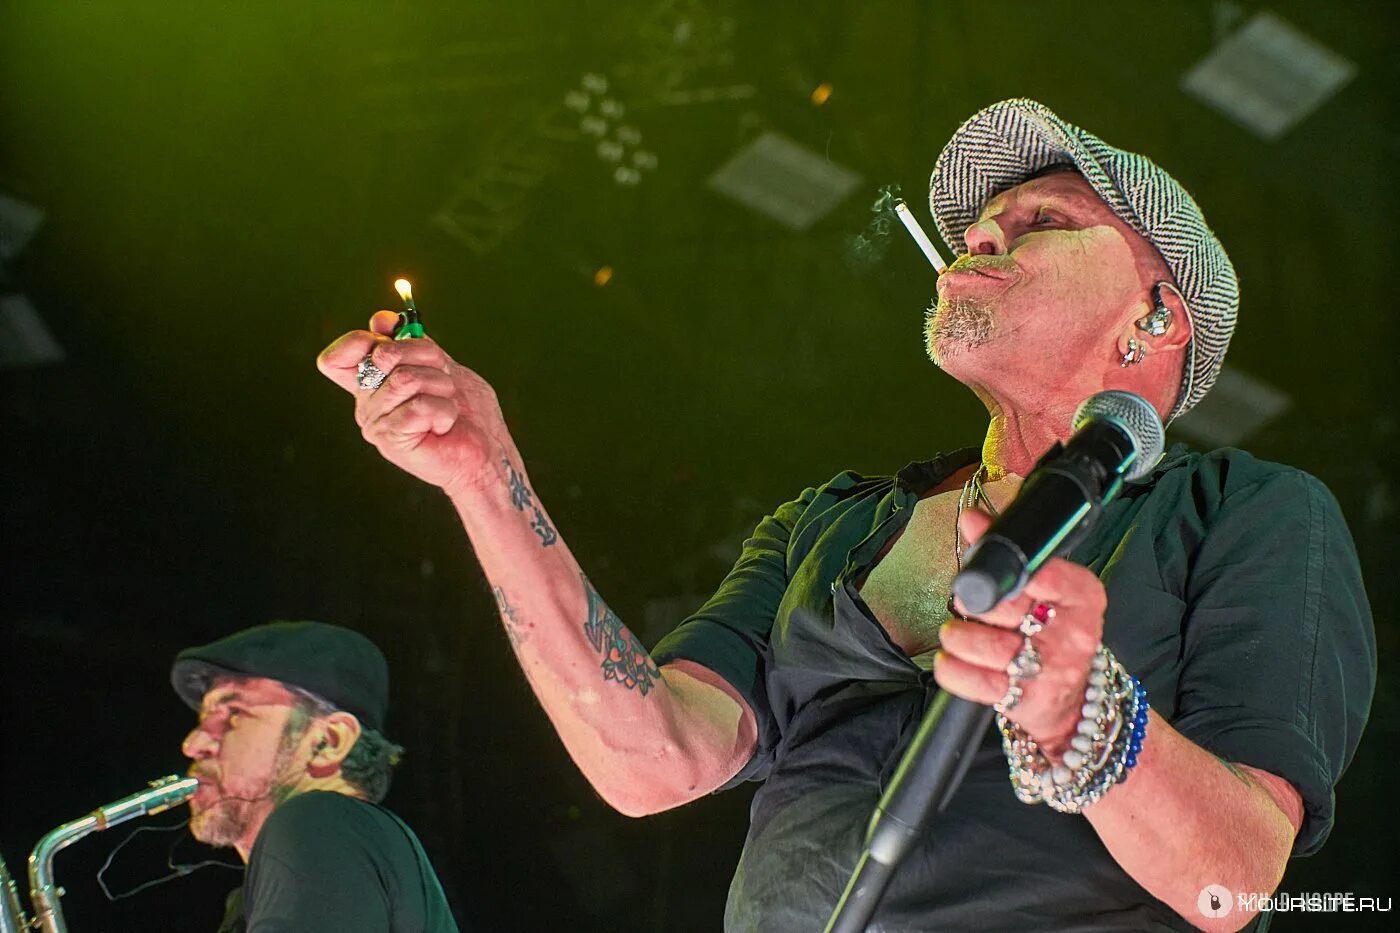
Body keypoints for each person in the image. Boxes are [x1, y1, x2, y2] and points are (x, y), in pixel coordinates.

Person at [317, 98, 1375, 931]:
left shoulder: (1244, 511)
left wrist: (1085, 716)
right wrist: (483, 472)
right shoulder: (827, 522)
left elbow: (1234, 878)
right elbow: (652, 760)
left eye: (1043, 221)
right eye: (978, 227)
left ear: (1159, 313)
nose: (981, 235)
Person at [172, 620, 459, 932]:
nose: (193, 744)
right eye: (203, 718)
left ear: (328, 742)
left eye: (235, 714)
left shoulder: (318, 820)